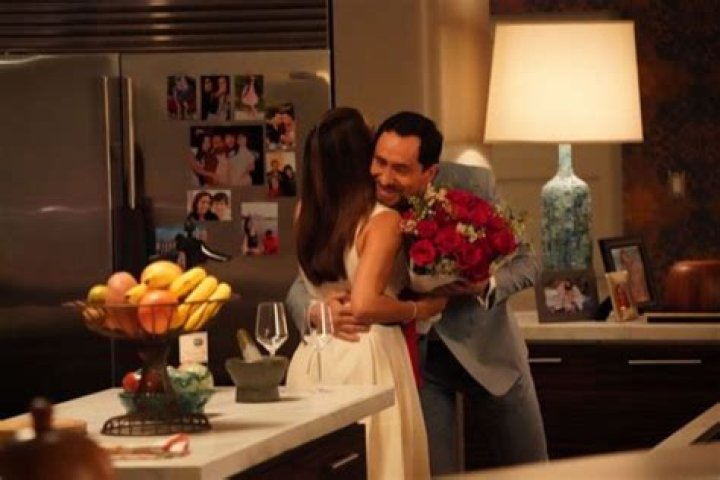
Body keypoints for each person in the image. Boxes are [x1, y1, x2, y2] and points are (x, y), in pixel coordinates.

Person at [287, 111, 548, 475]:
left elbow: (527, 262)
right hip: (414, 364)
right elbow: (305, 282)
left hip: (488, 353)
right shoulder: (358, 197)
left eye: (400, 169)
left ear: (429, 172)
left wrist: (484, 285)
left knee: (534, 471)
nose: (384, 177)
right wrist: (316, 312)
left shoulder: (472, 185)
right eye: (379, 162)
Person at [285, 107, 445, 480]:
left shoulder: (304, 211)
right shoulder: (382, 220)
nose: (383, 172)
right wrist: (419, 309)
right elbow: (365, 304)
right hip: (368, 354)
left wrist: (318, 310)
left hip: (313, 356)